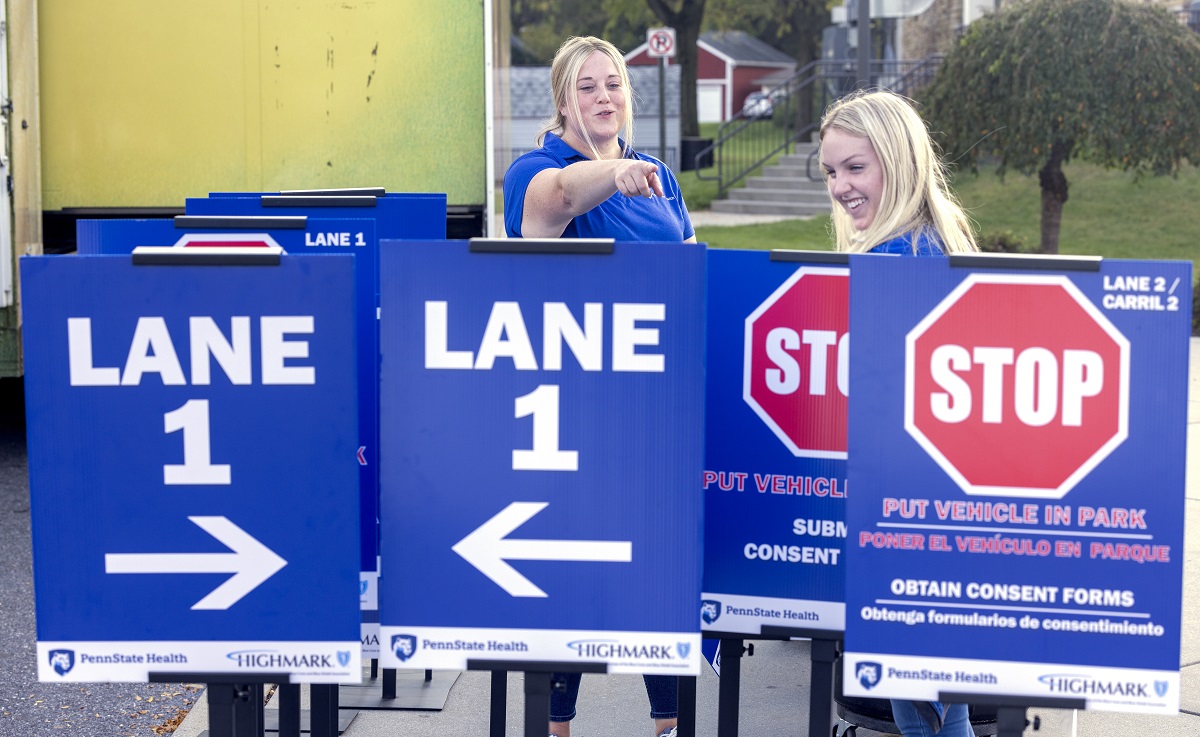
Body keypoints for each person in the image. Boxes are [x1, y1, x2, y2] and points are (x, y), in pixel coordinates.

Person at [502, 35, 692, 737]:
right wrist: (609, 176)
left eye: (613, 83)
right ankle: (557, 726)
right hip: (572, 403)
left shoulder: (659, 174)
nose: (604, 97)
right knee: (576, 570)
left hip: (653, 401)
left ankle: (669, 721)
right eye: (587, 86)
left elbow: (686, 264)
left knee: (654, 568)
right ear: (561, 100)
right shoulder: (538, 167)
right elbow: (550, 206)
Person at [818, 89, 978, 737]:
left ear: (899, 160)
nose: (840, 186)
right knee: (936, 703)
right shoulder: (937, 241)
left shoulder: (894, 261)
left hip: (901, 513)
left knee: (927, 707)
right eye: (830, 171)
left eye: (856, 167)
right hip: (936, 512)